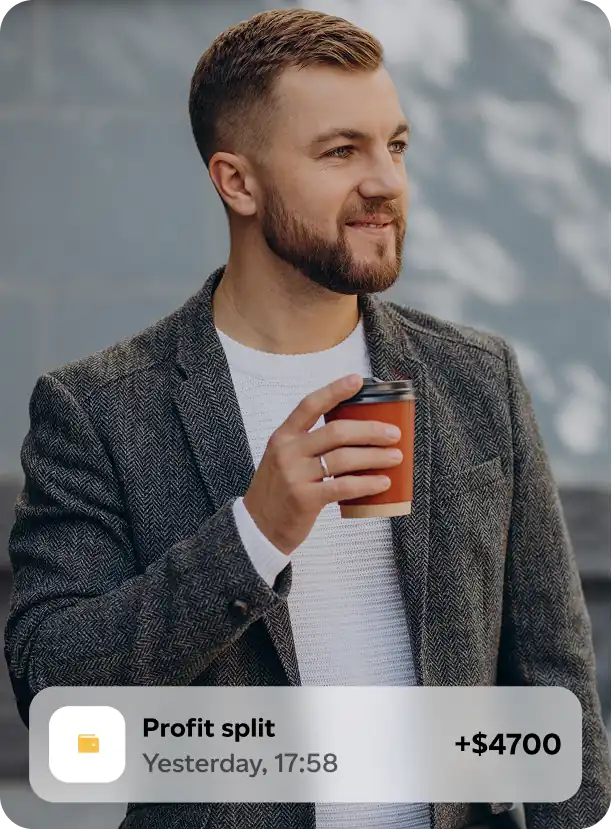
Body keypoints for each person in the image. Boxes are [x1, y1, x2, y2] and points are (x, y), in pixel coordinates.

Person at [3, 7, 610, 830]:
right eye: (340, 151)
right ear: (237, 181)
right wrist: (252, 534)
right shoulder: (101, 409)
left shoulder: (477, 379)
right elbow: (55, 691)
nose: (386, 182)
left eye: (395, 145)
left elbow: (558, 688)